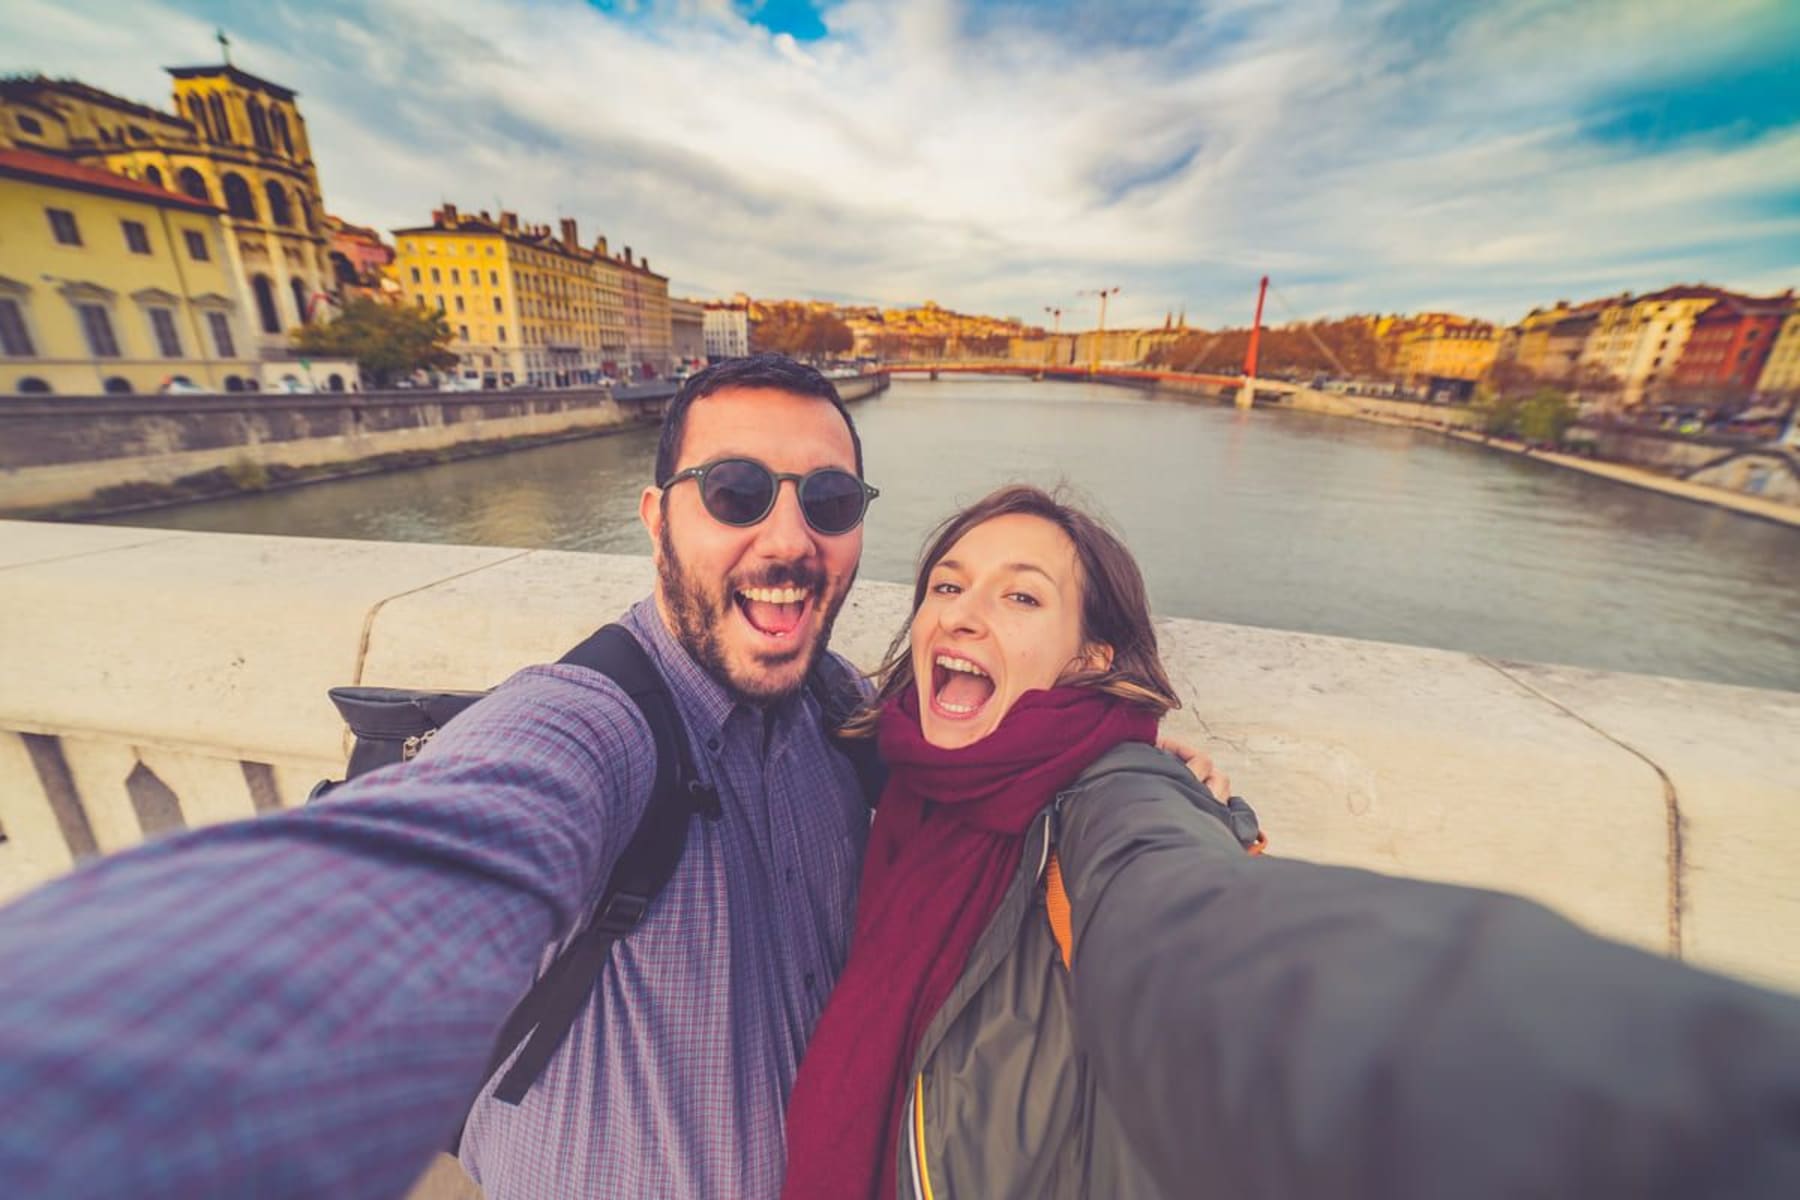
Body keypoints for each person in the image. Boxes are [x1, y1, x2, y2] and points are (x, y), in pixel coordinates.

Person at [0, 355, 884, 1199]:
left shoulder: (836, 705)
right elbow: (421, 861)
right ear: (655, 517)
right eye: (737, 493)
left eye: (830, 501)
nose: (790, 540)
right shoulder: (590, 723)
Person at [779, 484, 1800, 1200]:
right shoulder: (899, 765)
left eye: (1021, 596)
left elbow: (1216, 944)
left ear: (1091, 656)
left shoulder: (1118, 802)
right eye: (948, 584)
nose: (962, 614)